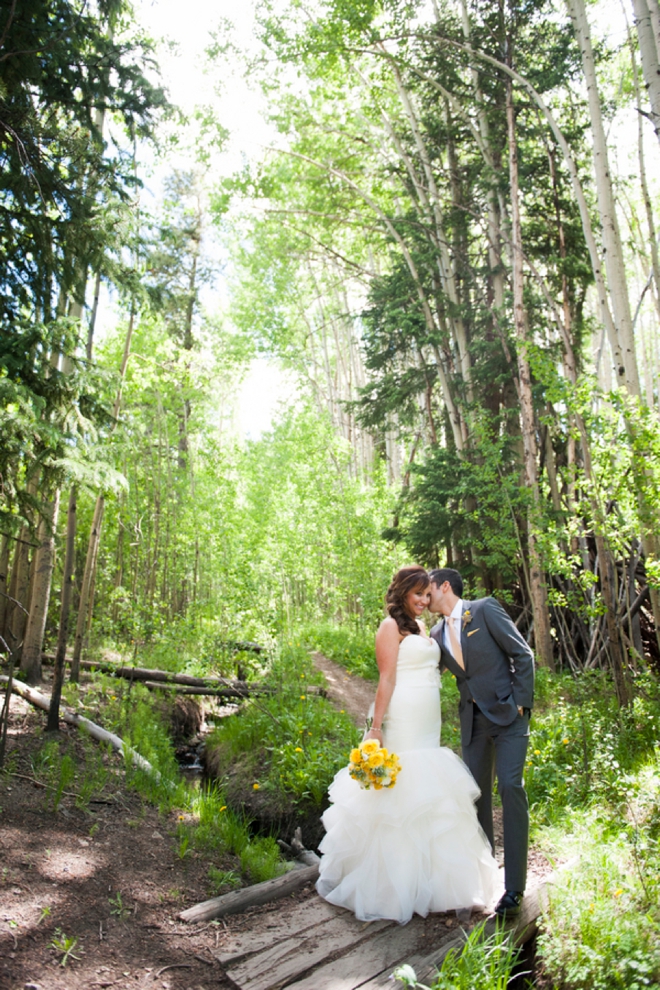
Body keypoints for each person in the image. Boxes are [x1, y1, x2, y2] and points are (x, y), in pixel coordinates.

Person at [316, 565, 500, 924]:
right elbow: (385, 680)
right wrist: (375, 727)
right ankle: (393, 885)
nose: (423, 600)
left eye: (426, 595)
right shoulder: (389, 627)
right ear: (401, 592)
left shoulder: (423, 628)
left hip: (429, 718)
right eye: (417, 594)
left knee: (430, 790)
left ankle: (437, 884)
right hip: (403, 716)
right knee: (403, 794)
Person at [427, 568, 535, 918]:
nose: (425, 597)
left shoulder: (485, 609)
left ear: (445, 586)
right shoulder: (435, 632)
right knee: (477, 800)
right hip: (472, 726)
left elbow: (523, 654)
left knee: (510, 787)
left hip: (508, 719)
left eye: (428, 589)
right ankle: (485, 879)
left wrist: (521, 701)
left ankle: (514, 889)